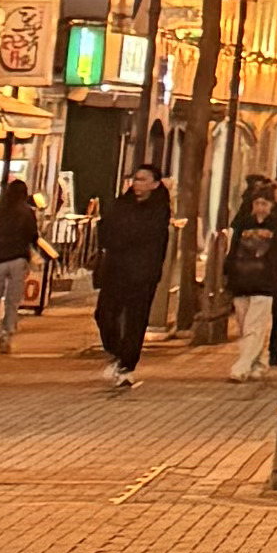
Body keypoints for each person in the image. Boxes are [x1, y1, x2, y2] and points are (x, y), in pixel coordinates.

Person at [91, 142, 175, 385]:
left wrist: (124, 237)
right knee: (104, 314)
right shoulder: (122, 204)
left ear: (155, 183)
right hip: (116, 269)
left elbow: (145, 235)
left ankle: (127, 364)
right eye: (135, 179)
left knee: (136, 319)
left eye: (142, 179)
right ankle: (117, 352)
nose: (136, 183)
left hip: (142, 273)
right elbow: (106, 228)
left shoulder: (159, 210)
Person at [225, 181, 277, 377]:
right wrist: (229, 274)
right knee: (245, 325)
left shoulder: (276, 226)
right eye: (257, 204)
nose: (261, 208)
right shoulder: (242, 224)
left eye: (265, 204)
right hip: (242, 283)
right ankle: (259, 362)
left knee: (254, 326)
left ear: (271, 206)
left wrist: (274, 278)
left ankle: (241, 367)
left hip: (264, 284)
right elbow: (232, 251)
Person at [0, 160, 38, 359]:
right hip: (18, 260)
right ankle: (6, 334)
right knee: (13, 300)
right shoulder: (26, 212)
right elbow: (32, 235)